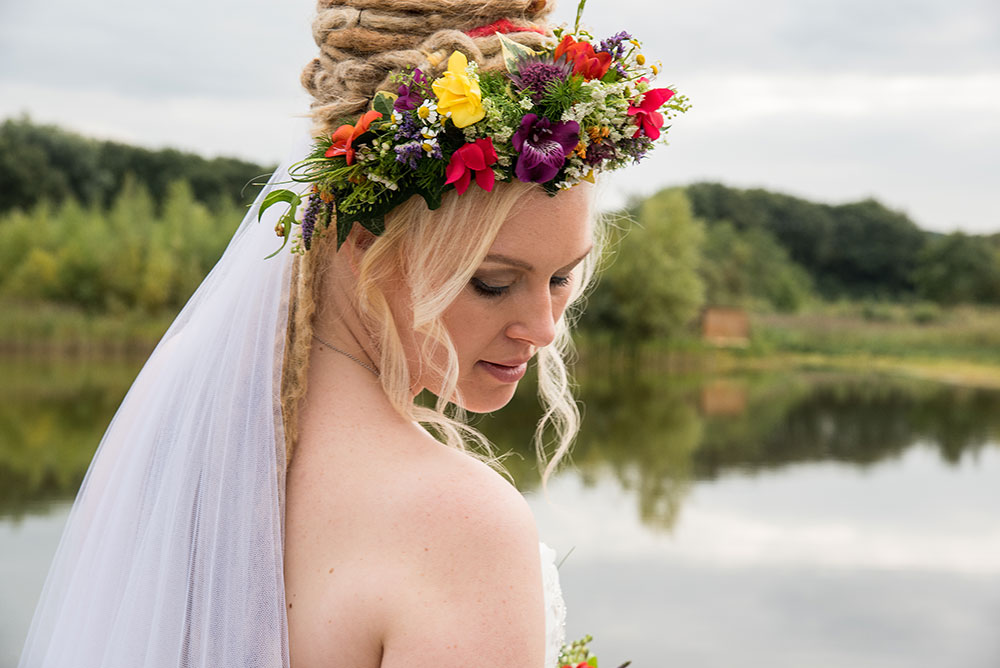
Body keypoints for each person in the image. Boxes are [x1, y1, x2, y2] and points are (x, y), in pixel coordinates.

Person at [18, 1, 684, 666]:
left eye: (563, 278)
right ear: (365, 243)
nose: (541, 328)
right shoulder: (461, 530)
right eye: (492, 282)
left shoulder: (173, 413)